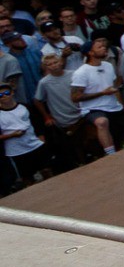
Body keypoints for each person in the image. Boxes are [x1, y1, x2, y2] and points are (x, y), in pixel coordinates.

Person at [34, 41, 83, 170]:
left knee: (85, 140)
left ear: (61, 62)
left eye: (55, 62)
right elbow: (37, 100)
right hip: (62, 119)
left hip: (80, 113)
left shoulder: (73, 74)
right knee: (70, 146)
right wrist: (47, 117)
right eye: (49, 64)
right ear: (46, 67)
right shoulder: (44, 83)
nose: (53, 66)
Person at [70, 37, 122, 156]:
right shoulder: (81, 72)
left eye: (104, 46)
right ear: (90, 53)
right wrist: (101, 93)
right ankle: (111, 155)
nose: (104, 48)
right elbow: (75, 97)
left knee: (118, 136)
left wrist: (120, 104)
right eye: (99, 47)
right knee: (102, 122)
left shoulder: (108, 66)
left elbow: (113, 87)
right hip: (93, 109)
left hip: (113, 107)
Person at [0, 83, 50, 193]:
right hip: (16, 151)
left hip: (35, 144)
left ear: (12, 93)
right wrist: (12, 135)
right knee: (27, 179)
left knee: (46, 170)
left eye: (6, 93)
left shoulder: (25, 107)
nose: (4, 96)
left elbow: (37, 123)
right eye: (0, 95)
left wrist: (41, 138)